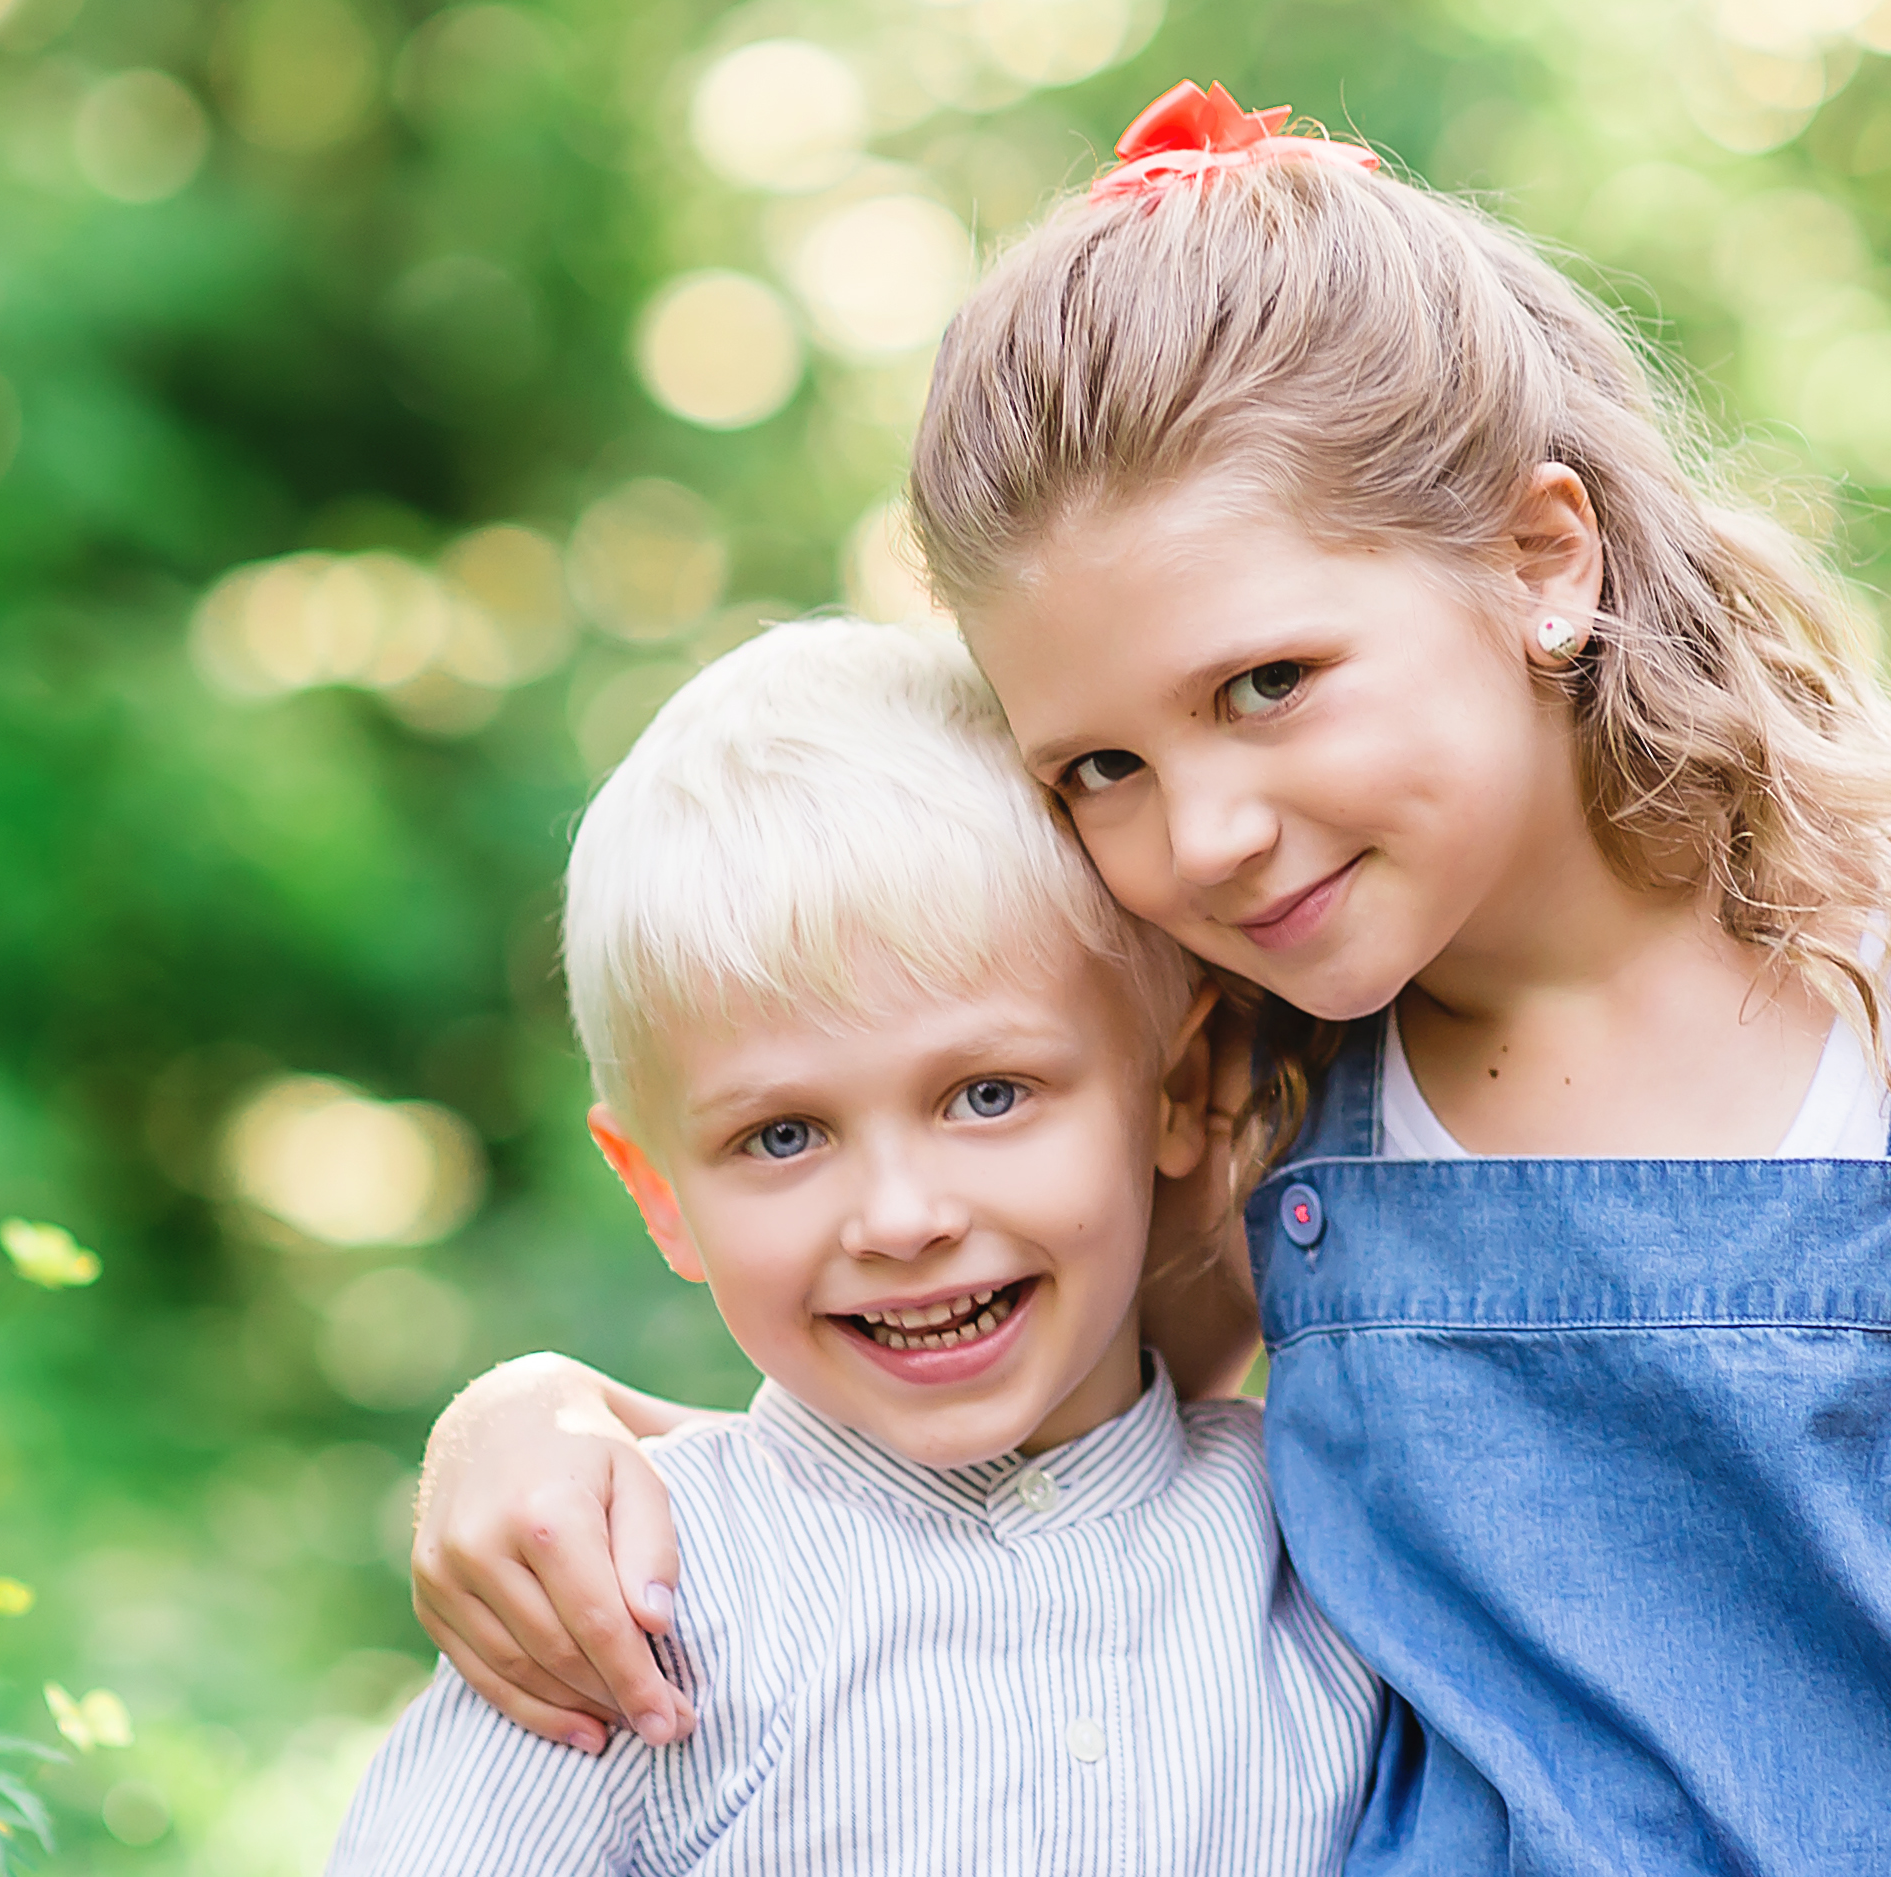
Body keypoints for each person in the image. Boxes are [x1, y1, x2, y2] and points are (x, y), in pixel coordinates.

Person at [406, 83, 1891, 1872]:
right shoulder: (1259, 1100)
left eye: (1265, 684)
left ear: (1537, 555)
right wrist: (533, 1415)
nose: (1208, 833)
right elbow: (953, 1403)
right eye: (1105, 769)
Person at [328, 620, 1384, 1874]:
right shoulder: (631, 1608)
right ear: (661, 1194)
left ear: (1178, 1085)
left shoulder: (1326, 1534)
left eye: (987, 1094)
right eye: (782, 1134)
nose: (897, 1216)